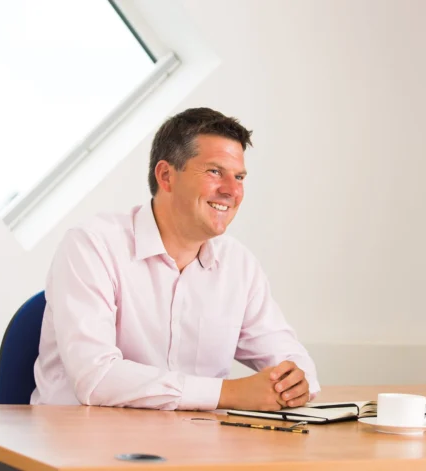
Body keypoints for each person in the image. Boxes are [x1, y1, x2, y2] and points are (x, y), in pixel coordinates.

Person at [31, 107, 320, 411]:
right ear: (166, 176)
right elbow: (95, 378)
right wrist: (228, 393)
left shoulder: (239, 266)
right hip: (80, 436)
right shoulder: (92, 245)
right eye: (214, 172)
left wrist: (294, 384)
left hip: (190, 437)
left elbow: (295, 363)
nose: (232, 191)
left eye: (239, 177)